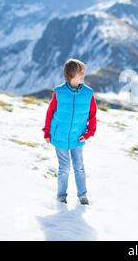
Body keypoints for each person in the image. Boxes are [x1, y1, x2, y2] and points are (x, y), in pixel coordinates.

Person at [42, 58, 97, 205]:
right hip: (59, 136)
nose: (83, 75)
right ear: (72, 74)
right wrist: (47, 132)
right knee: (64, 168)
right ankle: (61, 196)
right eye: (81, 72)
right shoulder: (59, 92)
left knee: (79, 166)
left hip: (78, 137)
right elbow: (50, 112)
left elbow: (92, 115)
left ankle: (82, 195)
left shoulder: (88, 93)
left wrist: (88, 133)